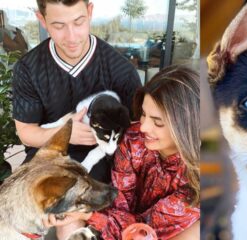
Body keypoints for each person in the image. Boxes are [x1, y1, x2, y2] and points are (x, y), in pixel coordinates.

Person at [44, 65, 200, 240]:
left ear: (187, 127)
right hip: (119, 222)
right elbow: (119, 202)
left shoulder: (198, 178)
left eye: (158, 122)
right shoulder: (134, 137)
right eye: (143, 114)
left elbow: (145, 229)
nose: (143, 126)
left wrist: (87, 215)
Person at [12, 0, 141, 183]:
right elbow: (26, 132)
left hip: (103, 157)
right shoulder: (28, 69)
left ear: (89, 12)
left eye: (78, 22)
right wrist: (63, 133)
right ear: (42, 19)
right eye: (58, 26)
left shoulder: (121, 71)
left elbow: (136, 133)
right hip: (48, 154)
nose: (71, 37)